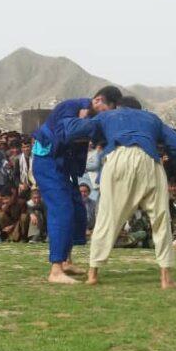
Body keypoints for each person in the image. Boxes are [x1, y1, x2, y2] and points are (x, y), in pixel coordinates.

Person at [62, 98, 176, 289]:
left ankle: (93, 274)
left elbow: (74, 131)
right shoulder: (152, 118)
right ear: (141, 109)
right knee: (161, 220)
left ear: (118, 106)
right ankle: (166, 278)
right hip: (149, 160)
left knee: (107, 217)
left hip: (117, 159)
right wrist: (171, 164)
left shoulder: (107, 116)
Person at [32, 90, 116, 284]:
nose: (105, 116)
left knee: (77, 209)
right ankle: (55, 270)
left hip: (64, 167)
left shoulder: (93, 118)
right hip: (47, 162)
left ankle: (67, 261)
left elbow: (100, 138)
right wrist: (88, 122)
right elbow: (67, 132)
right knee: (62, 210)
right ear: (97, 100)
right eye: (105, 111)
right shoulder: (70, 106)